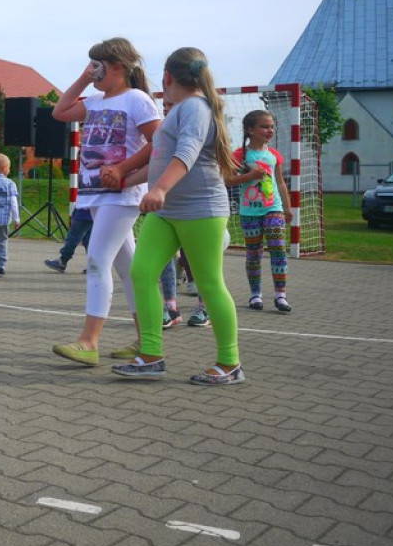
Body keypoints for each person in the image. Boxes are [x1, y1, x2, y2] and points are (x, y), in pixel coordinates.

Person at [111, 47, 244, 385]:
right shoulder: (178, 111)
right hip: (167, 210)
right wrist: (127, 180)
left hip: (201, 210)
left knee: (209, 283)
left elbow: (186, 153)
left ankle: (230, 363)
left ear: (167, 77)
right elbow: (160, 162)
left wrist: (159, 190)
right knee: (142, 273)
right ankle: (151, 355)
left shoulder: (196, 107)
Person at [50, 38, 160, 367]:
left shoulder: (137, 99)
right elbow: (59, 112)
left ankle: (89, 342)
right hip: (96, 194)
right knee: (129, 269)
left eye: (98, 66)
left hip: (121, 195)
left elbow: (160, 142)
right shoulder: (95, 101)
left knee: (97, 261)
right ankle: (146, 341)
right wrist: (84, 79)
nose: (93, 71)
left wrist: (124, 169)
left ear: (118, 67)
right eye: (91, 65)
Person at [225, 109, 293, 313]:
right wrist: (250, 176)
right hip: (249, 212)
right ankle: (255, 294)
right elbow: (228, 180)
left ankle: (280, 295)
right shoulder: (240, 155)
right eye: (264, 126)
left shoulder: (274, 155)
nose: (270, 130)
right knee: (254, 253)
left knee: (278, 248)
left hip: (273, 208)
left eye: (272, 127)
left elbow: (280, 182)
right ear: (250, 130)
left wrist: (287, 207)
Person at [43, 207, 92, 273]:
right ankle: (94, 264)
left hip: (85, 210)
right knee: (88, 238)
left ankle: (63, 260)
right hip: (92, 211)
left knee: (73, 236)